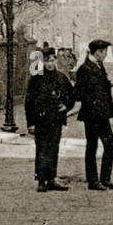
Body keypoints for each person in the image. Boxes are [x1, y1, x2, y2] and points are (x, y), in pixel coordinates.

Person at [26, 47, 75, 192]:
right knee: (41, 149)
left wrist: (66, 106)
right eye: (46, 61)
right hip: (40, 120)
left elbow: (72, 95)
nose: (49, 64)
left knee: (54, 149)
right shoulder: (36, 79)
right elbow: (29, 102)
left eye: (52, 60)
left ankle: (52, 179)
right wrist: (31, 123)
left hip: (56, 119)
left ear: (55, 61)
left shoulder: (61, 77)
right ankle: (41, 180)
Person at [75, 39, 113, 191]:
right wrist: (93, 102)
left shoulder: (99, 66)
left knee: (110, 146)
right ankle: (93, 181)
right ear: (97, 52)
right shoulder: (85, 69)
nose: (105, 54)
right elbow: (79, 93)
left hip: (102, 114)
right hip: (92, 114)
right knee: (92, 146)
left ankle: (105, 179)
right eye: (103, 51)